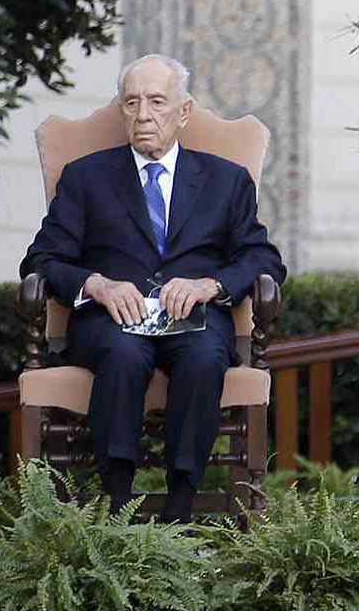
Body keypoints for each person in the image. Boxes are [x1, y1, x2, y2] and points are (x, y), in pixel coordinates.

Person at [22, 53, 285, 521]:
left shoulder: (226, 181)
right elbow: (42, 260)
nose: (143, 114)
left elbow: (263, 259)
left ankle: (180, 506)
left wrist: (211, 284)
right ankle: (118, 503)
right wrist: (96, 285)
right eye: (132, 102)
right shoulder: (85, 177)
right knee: (123, 353)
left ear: (183, 112)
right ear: (122, 110)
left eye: (157, 102)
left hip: (194, 319)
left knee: (203, 356)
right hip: (110, 319)